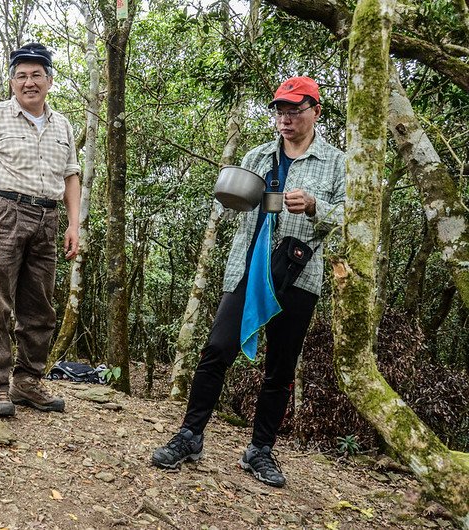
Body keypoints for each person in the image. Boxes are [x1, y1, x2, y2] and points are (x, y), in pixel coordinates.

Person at [152, 76, 346, 487]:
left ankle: (260, 450)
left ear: (316, 111)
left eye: (295, 110)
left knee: (280, 367)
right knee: (217, 349)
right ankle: (190, 435)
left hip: (298, 275)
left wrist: (315, 207)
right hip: (248, 268)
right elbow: (230, 200)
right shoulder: (259, 156)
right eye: (280, 110)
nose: (286, 119)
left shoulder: (337, 163)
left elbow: (353, 222)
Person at [0, 42, 81, 417]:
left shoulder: (62, 124)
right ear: (12, 81)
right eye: (21, 76)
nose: (29, 82)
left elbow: (71, 175)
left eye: (36, 75)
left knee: (40, 306)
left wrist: (74, 223)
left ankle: (28, 381)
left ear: (49, 80)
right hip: (4, 212)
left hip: (48, 218)